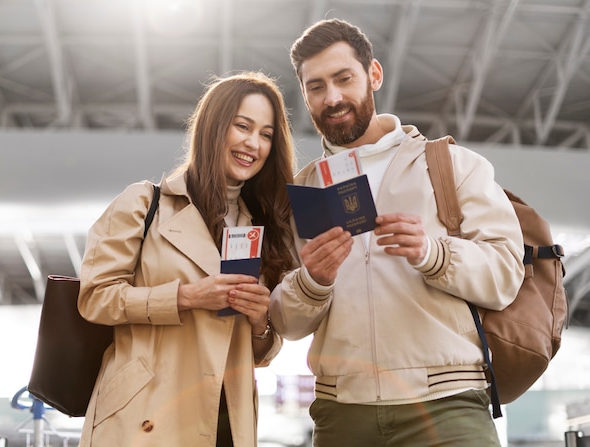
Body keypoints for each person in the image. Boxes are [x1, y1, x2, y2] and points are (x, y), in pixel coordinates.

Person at [269, 18, 525, 446]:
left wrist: (433, 253)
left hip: (447, 406)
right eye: (316, 87)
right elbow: (286, 323)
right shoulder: (304, 188)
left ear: (374, 75)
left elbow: (505, 276)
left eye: (344, 78)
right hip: (340, 413)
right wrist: (312, 282)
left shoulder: (449, 165)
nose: (332, 98)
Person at [77, 71, 296, 446]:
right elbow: (95, 297)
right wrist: (186, 297)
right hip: (146, 414)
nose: (253, 143)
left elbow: (261, 354)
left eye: (265, 134)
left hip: (227, 419)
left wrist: (260, 319)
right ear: (213, 127)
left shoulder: (260, 227)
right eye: (242, 126)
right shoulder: (144, 203)